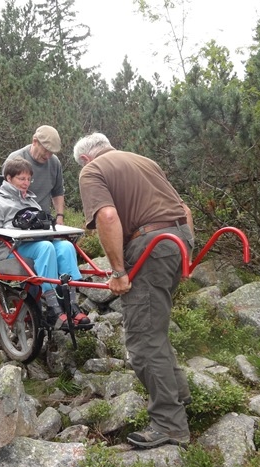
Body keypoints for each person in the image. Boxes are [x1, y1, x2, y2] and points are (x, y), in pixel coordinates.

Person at [74, 132, 195, 448]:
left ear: (86, 158)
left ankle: (170, 425)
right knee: (155, 328)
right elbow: (184, 208)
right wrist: (186, 257)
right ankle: (180, 395)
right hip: (178, 239)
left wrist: (118, 272)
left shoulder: (92, 171)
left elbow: (108, 216)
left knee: (142, 339)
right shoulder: (145, 161)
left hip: (150, 245)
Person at [0, 157, 90, 329]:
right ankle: (53, 309)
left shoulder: (31, 201)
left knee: (66, 247)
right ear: (9, 179)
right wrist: (18, 231)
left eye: (28, 179)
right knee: (45, 248)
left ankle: (71, 306)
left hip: (33, 244)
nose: (26, 183)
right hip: (8, 249)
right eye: (21, 179)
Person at [2, 125, 65, 225]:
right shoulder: (15, 159)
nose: (48, 156)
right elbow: (6, 194)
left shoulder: (55, 163)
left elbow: (58, 192)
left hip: (44, 220)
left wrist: (60, 216)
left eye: (51, 153)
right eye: (46, 150)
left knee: (66, 241)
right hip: (20, 220)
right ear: (35, 141)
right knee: (44, 242)